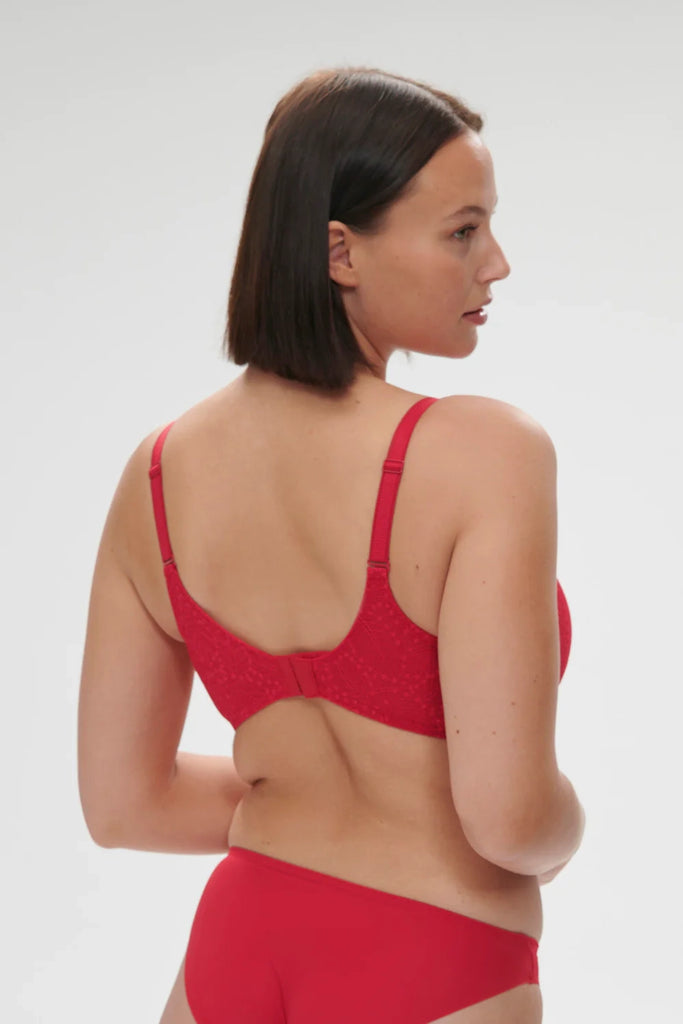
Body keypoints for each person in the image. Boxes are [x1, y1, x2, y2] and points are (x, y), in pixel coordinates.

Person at [77, 65, 586, 1024]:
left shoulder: (156, 474)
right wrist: (566, 831)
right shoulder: (485, 452)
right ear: (340, 252)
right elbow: (510, 820)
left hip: (235, 949)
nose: (496, 263)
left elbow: (124, 805)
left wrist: (302, 799)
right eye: (462, 230)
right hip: (434, 953)